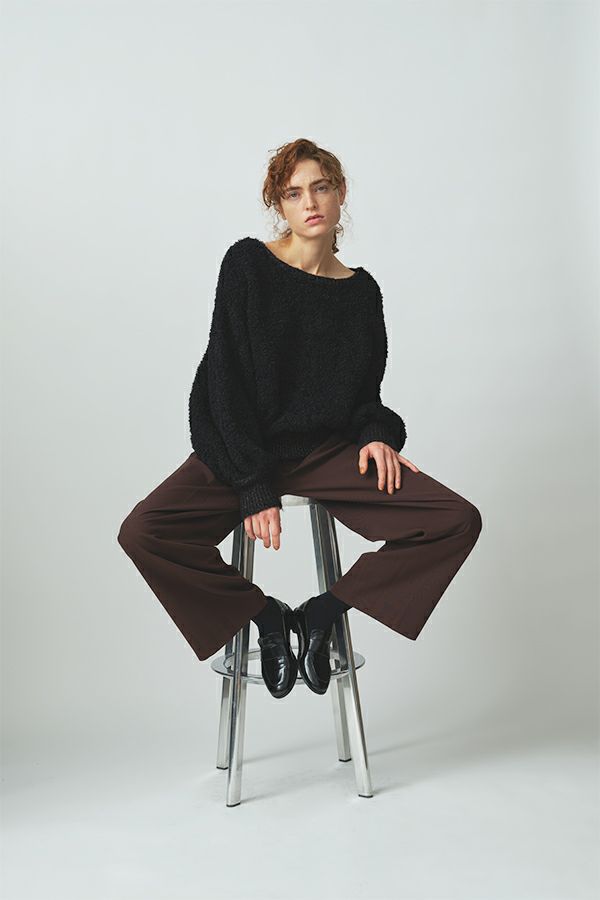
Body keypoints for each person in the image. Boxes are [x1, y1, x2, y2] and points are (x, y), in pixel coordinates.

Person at [117, 138, 482, 700]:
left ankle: (323, 613)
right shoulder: (247, 264)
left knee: (454, 520)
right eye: (293, 193)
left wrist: (376, 435)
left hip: (323, 453)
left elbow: (365, 394)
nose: (309, 202)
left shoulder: (361, 293)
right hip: (239, 447)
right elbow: (224, 382)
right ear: (279, 205)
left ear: (340, 194)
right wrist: (253, 483)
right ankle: (265, 617)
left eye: (320, 187)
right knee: (144, 533)